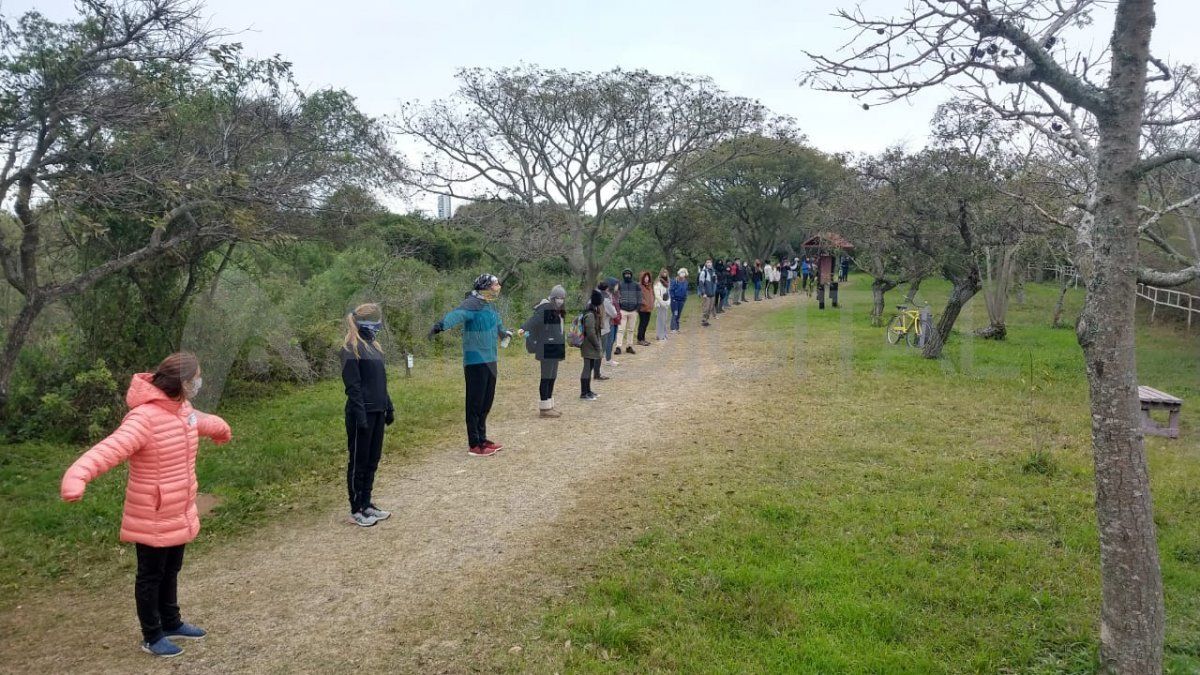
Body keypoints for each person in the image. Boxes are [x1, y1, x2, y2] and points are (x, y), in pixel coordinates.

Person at [60, 352, 232, 658]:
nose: (199, 383)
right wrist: (77, 476)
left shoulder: (182, 409)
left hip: (178, 508)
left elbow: (198, 422)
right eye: (196, 378)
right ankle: (152, 636)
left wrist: (220, 428)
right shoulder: (143, 419)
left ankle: (171, 622)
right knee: (151, 575)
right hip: (151, 512)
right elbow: (109, 449)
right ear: (182, 382)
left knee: (171, 569)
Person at [429, 273, 512, 458]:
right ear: (485, 287)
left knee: (486, 401)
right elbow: (454, 316)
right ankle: (474, 444)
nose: (498, 287)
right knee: (474, 403)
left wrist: (505, 333)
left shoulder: (489, 306)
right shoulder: (471, 304)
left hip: (491, 359)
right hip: (475, 361)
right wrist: (438, 327)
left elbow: (498, 327)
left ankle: (483, 439)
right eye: (495, 284)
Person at [341, 303, 395, 527]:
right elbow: (353, 387)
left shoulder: (375, 346)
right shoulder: (350, 348)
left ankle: (367, 502)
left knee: (373, 460)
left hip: (377, 410)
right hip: (360, 414)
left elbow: (380, 382)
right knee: (359, 461)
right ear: (365, 322)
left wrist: (388, 406)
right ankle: (356, 508)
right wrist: (360, 415)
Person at [521, 285, 568, 419]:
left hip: (555, 347)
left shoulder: (557, 309)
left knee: (552, 377)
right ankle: (544, 408)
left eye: (563, 298)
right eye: (558, 298)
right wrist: (522, 329)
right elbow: (532, 322)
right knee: (546, 377)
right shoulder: (545, 308)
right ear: (553, 297)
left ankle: (549, 405)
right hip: (547, 348)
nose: (560, 300)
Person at [580, 289, 604, 401]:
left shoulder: (593, 310)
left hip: (590, 345)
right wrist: (597, 345)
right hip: (588, 345)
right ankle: (584, 393)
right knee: (587, 368)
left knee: (589, 368)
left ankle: (588, 390)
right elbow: (590, 332)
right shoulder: (590, 314)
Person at [616, 268, 640, 354]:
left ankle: (629, 346)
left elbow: (639, 297)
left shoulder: (636, 285)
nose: (627, 275)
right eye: (626, 274)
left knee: (631, 330)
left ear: (631, 275)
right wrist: (618, 308)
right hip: (623, 310)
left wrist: (637, 308)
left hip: (633, 310)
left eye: (629, 274)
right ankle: (618, 346)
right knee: (620, 329)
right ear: (623, 275)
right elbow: (617, 297)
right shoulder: (620, 285)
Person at [600, 278, 620, 367]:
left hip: (611, 321)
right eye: (616, 285)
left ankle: (608, 358)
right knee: (609, 341)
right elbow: (613, 312)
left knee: (610, 341)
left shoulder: (612, 295)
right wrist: (615, 313)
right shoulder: (606, 297)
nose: (617, 287)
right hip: (608, 322)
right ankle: (607, 359)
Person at [636, 270, 654, 346]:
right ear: (642, 278)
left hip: (649, 309)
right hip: (642, 309)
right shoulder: (639, 286)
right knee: (642, 324)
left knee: (646, 324)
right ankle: (640, 339)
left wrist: (652, 303)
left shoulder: (650, 286)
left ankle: (643, 338)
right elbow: (639, 297)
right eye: (645, 277)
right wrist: (645, 303)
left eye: (647, 277)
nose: (646, 278)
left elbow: (652, 296)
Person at [653, 268, 671, 341]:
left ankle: (664, 334)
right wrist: (663, 303)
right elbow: (657, 295)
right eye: (663, 273)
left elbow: (669, 293)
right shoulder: (658, 282)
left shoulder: (668, 282)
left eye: (666, 273)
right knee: (660, 320)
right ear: (661, 273)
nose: (665, 274)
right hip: (660, 304)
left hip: (666, 303)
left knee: (665, 320)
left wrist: (668, 302)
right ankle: (660, 335)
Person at [698, 259, 717, 327]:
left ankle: (706, 320)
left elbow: (714, 282)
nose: (709, 264)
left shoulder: (713, 271)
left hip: (712, 293)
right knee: (706, 307)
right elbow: (701, 283)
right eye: (707, 262)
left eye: (710, 262)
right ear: (706, 264)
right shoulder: (703, 272)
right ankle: (704, 320)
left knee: (710, 307)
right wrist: (703, 293)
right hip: (706, 294)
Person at [669, 268, 689, 333]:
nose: (682, 274)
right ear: (679, 273)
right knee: (675, 313)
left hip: (682, 300)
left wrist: (685, 298)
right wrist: (673, 298)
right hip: (675, 300)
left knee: (679, 314)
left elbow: (686, 290)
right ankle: (673, 328)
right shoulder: (675, 280)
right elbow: (671, 290)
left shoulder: (685, 281)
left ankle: (677, 328)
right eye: (681, 272)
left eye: (684, 273)